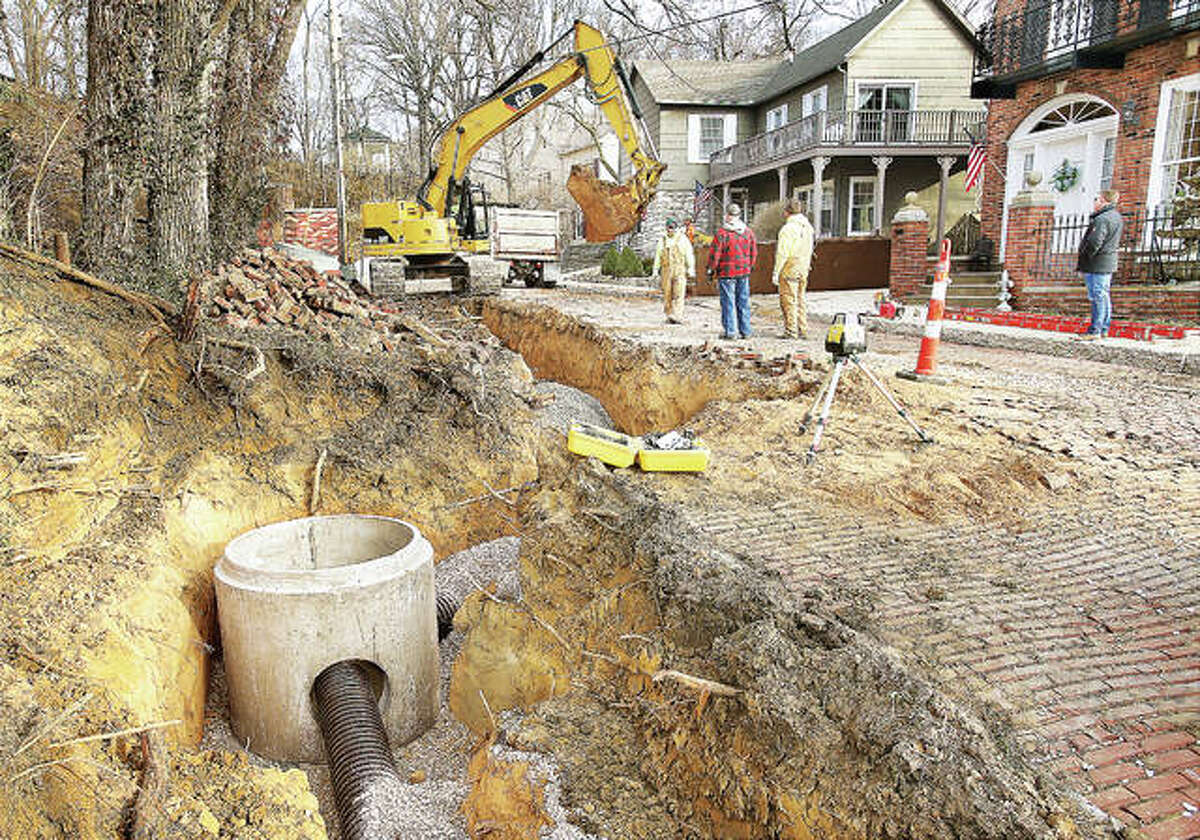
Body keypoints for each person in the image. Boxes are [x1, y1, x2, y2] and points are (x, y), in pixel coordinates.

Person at [1076, 189, 1123, 340]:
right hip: (1107, 262)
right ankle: (1103, 328)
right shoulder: (1116, 216)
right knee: (1103, 296)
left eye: (1096, 199)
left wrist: (1086, 256)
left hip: (1097, 263)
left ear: (1103, 201)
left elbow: (1095, 242)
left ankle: (1095, 330)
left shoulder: (1101, 219)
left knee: (1097, 296)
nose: (1094, 202)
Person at [707, 203, 758, 339]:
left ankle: (730, 332)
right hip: (743, 272)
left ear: (727, 216)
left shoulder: (722, 234)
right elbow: (754, 252)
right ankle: (746, 331)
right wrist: (749, 266)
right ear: (739, 215)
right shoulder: (748, 233)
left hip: (727, 272)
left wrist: (711, 269)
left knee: (728, 302)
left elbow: (715, 254)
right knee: (743, 302)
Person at [772, 197, 815, 339]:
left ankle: (791, 330)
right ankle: (803, 329)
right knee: (801, 299)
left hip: (790, 266)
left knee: (789, 299)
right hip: (804, 266)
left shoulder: (788, 229)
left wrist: (776, 272)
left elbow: (782, 253)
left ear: (787, 212)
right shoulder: (808, 227)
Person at [652, 217, 695, 324]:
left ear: (676, 228)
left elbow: (689, 254)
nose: (670, 230)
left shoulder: (683, 239)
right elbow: (658, 256)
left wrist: (690, 268)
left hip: (679, 269)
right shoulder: (662, 240)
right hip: (666, 269)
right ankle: (669, 314)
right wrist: (655, 270)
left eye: (672, 228)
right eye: (669, 228)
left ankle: (678, 315)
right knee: (667, 294)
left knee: (679, 293)